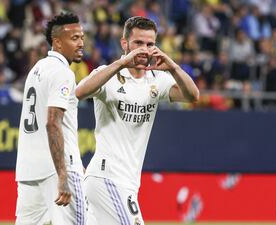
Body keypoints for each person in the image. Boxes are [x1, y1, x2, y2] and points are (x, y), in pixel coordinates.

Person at [76, 16, 199, 225]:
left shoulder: (156, 80)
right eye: (138, 43)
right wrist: (121, 63)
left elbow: (192, 96)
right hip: (108, 177)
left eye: (150, 44)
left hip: (129, 181)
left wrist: (173, 67)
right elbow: (80, 91)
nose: (144, 49)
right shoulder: (110, 76)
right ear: (125, 44)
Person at [15, 12, 86, 225]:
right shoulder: (62, 72)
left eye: (82, 37)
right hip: (56, 169)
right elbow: (52, 122)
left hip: (28, 168)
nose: (81, 43)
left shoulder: (37, 68)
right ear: (57, 42)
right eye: (74, 38)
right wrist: (63, 173)